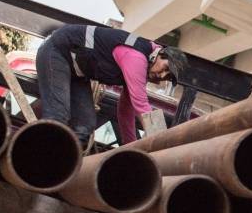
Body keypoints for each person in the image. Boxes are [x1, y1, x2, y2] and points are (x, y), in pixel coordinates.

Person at [35, 24, 187, 146]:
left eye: (167, 76)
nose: (161, 75)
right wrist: (163, 141)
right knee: (57, 117)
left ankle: (62, 167)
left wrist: (131, 147)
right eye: (165, 68)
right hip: (57, 52)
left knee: (84, 127)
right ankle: (37, 163)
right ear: (160, 54)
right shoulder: (137, 58)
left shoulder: (143, 67)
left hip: (77, 72)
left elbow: (126, 110)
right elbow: (141, 105)